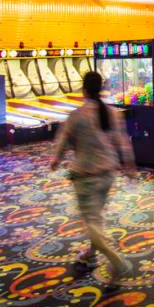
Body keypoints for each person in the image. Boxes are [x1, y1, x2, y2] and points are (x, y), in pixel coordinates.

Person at [51, 71, 136, 289]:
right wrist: (129, 166)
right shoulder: (110, 112)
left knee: (91, 222)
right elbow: (123, 142)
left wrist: (56, 160)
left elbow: (62, 142)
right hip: (108, 174)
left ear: (84, 89)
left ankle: (118, 262)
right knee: (96, 218)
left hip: (86, 176)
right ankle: (90, 254)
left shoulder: (77, 115)